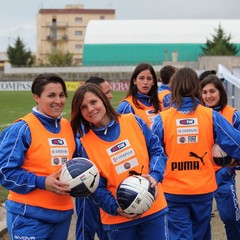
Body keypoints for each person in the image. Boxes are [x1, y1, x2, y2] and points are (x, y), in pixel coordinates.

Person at [70, 83, 169, 240]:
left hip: (153, 209)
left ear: (103, 100)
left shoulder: (133, 121)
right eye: (83, 107)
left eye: (93, 102)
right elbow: (94, 188)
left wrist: (155, 176)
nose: (90, 109)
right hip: (118, 220)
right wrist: (116, 208)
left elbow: (157, 150)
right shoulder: (84, 144)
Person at [152, 67, 240, 240]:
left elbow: (152, 152)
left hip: (173, 191)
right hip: (203, 190)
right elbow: (236, 142)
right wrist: (233, 162)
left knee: (180, 235)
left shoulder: (162, 119)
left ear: (174, 88)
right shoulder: (211, 116)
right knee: (201, 234)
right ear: (197, 88)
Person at [0, 73, 76, 240]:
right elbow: (5, 172)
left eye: (62, 95)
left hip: (62, 215)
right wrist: (41, 182)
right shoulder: (22, 129)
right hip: (28, 216)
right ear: (37, 97)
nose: (58, 100)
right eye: (51, 95)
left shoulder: (67, 126)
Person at [201, 74, 240, 240]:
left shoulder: (233, 114)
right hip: (201, 177)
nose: (208, 96)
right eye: (204, 92)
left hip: (223, 176)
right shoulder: (198, 115)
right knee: (201, 222)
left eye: (212, 91)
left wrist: (231, 166)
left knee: (231, 218)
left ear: (220, 92)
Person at [75, 76, 111, 240]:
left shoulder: (108, 124)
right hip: (88, 190)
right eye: (107, 92)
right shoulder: (82, 129)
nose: (110, 96)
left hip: (106, 189)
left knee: (107, 228)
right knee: (85, 230)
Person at [117, 63, 161, 129]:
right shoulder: (126, 107)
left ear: (153, 82)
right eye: (141, 78)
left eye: (149, 78)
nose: (145, 82)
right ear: (134, 81)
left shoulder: (159, 103)